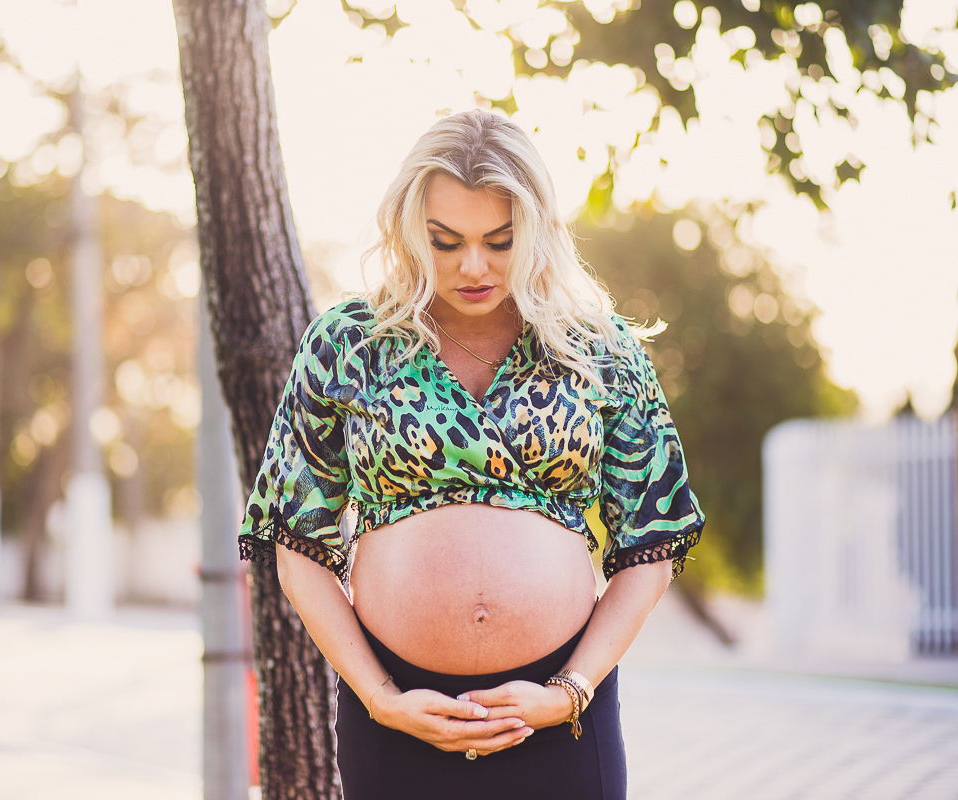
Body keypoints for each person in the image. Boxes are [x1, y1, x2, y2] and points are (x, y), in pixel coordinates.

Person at [237, 109, 704, 799]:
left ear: (537, 228)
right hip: (398, 717)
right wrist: (380, 697)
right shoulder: (349, 343)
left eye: (499, 240)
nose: (473, 266)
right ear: (409, 229)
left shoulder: (598, 350)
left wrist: (570, 690)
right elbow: (294, 543)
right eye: (446, 241)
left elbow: (652, 543)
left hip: (558, 719)